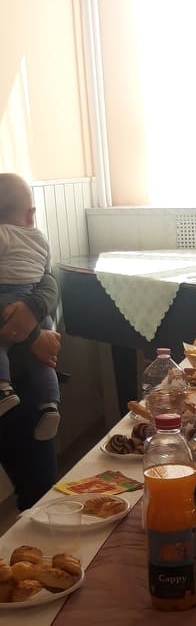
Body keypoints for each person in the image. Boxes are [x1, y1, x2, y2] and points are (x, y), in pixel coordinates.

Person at [0, 173, 61, 439]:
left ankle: (3, 388)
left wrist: (31, 315)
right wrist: (34, 333)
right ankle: (50, 405)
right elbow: (46, 274)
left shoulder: (3, 234)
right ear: (31, 214)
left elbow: (50, 282)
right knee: (44, 361)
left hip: (13, 302)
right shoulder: (39, 239)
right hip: (35, 311)